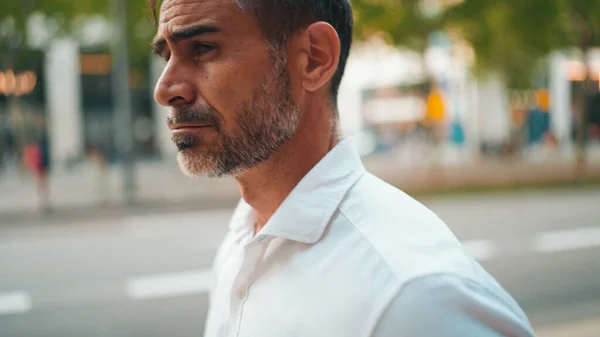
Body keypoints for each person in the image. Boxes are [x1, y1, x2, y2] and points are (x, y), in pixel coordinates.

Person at [150, 0, 535, 336]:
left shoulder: (414, 292)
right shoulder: (245, 237)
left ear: (314, 59)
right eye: (166, 56)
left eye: (202, 48)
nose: (165, 89)